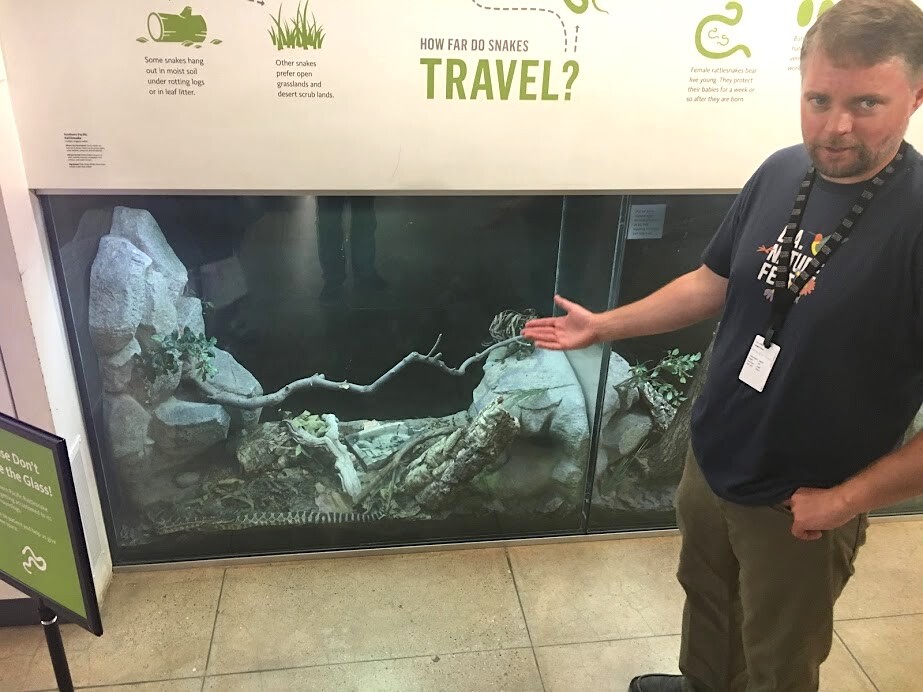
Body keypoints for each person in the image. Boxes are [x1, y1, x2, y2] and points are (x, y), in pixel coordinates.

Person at [521, 1, 923, 689]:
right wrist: (604, 325)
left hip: (802, 501)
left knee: (776, 658)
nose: (835, 127)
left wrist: (846, 501)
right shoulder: (778, 172)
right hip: (712, 459)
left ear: (915, 95)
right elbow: (713, 282)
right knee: (706, 607)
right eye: (818, 98)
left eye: (865, 102)